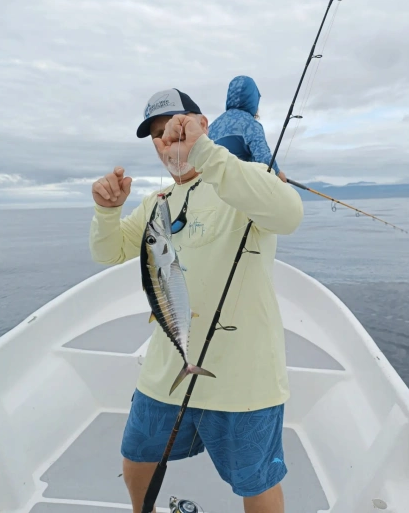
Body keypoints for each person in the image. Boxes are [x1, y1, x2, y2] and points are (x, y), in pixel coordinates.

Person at [89, 88, 304, 513]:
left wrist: (205, 154)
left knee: (256, 482)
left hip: (246, 381)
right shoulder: (156, 203)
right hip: (168, 370)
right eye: (155, 134)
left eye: (173, 125)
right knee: (136, 457)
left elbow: (289, 214)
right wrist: (107, 212)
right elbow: (109, 252)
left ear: (203, 125)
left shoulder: (245, 178)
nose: (166, 139)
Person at [208, 75, 287, 182]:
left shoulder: (212, 127)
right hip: (241, 188)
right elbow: (264, 160)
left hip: (211, 187)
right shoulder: (250, 124)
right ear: (253, 99)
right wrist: (278, 174)